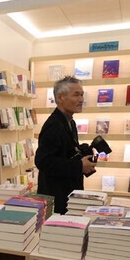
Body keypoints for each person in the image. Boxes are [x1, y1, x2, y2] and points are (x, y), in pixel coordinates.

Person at [35, 76, 97, 214]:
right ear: (60, 97)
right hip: (57, 199)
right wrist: (79, 166)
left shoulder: (69, 122)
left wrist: (82, 151)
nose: (81, 99)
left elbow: (63, 153)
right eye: (76, 95)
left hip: (67, 194)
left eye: (82, 95)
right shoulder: (54, 125)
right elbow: (43, 161)